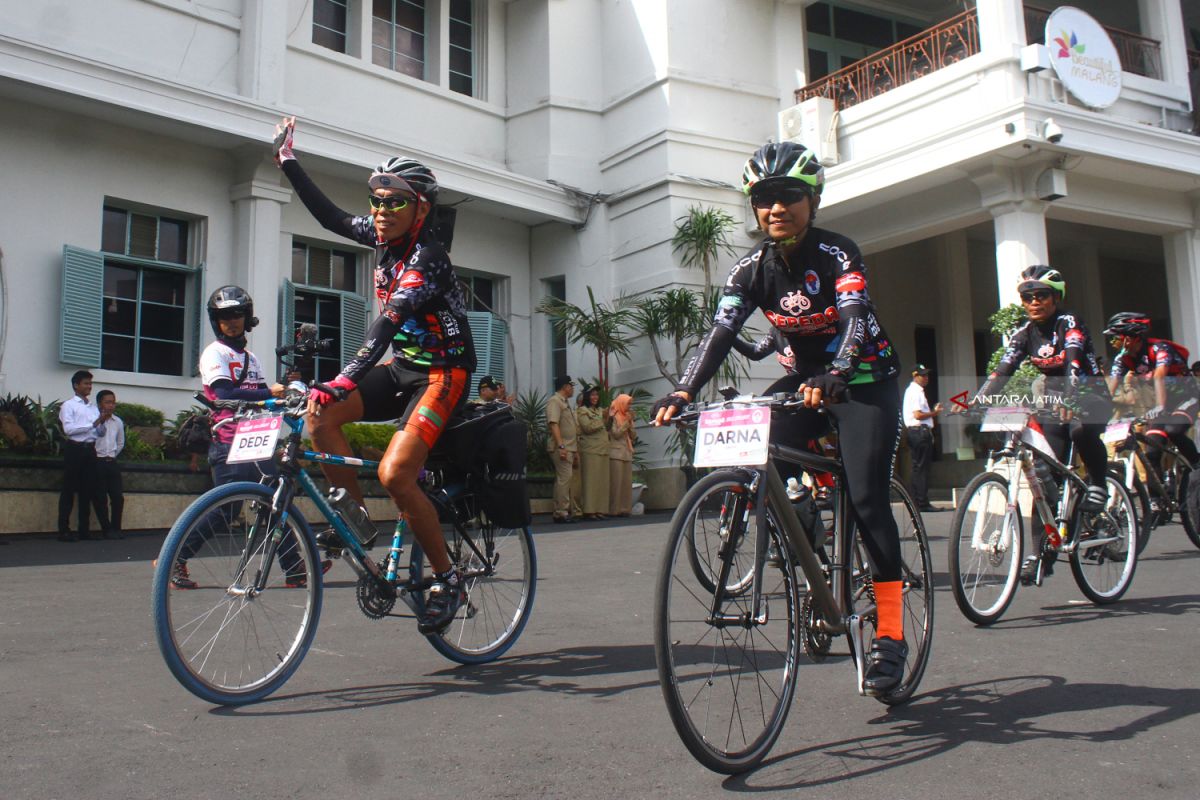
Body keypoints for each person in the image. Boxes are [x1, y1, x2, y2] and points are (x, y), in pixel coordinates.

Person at [653, 140, 909, 696]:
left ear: (812, 200)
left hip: (863, 382)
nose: (776, 208)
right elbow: (720, 334)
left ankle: (890, 631)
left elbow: (854, 316)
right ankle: (805, 532)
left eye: (789, 196)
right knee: (756, 444)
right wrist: (682, 389)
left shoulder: (838, 253)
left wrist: (839, 370)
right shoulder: (749, 271)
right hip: (805, 382)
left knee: (866, 500)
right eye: (765, 198)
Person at [273, 117, 476, 632]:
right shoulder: (384, 235)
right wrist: (288, 161)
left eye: (395, 203)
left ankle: (448, 576)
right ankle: (356, 523)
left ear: (421, 208)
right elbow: (330, 218)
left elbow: (387, 322)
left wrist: (344, 375)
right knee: (321, 417)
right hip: (403, 368)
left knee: (395, 474)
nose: (381, 212)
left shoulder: (428, 258)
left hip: (443, 375)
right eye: (377, 201)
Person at [163, 286, 326, 590]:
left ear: (247, 317)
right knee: (225, 510)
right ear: (217, 321)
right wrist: (269, 392)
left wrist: (287, 392)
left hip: (257, 438)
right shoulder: (215, 353)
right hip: (228, 441)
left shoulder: (250, 358)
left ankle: (295, 569)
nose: (232, 321)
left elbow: (262, 399)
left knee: (276, 503)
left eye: (237, 314)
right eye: (225, 316)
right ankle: (174, 559)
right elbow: (224, 394)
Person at [970, 266, 1111, 583]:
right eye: (1027, 297)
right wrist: (976, 400)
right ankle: (1039, 554)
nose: (1034, 302)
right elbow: (1003, 369)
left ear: (1056, 297)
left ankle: (1099, 483)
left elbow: (1074, 359)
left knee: (1079, 429)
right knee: (1043, 476)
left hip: (1089, 394)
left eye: (1042, 295)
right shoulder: (1023, 334)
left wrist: (1071, 398)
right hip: (1052, 399)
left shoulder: (1068, 323)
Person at [1104, 312, 1199, 471]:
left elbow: (1159, 376)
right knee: (1152, 453)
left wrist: (1160, 407)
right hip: (1162, 405)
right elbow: (1109, 389)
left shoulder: (1160, 348)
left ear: (1131, 337)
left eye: (1115, 338)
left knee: (1173, 430)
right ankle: (1157, 496)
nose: (1112, 342)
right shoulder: (1122, 359)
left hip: (1186, 398)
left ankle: (1197, 465)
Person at [57, 370, 105, 541]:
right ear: (76, 385)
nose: (89, 387)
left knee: (88, 490)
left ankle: (84, 530)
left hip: (90, 449)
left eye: (90, 384)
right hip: (75, 448)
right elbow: (69, 430)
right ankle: (63, 530)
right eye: (86, 383)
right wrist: (93, 424)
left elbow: (98, 432)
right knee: (69, 489)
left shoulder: (92, 407)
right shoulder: (69, 406)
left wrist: (100, 425)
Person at [902, 365, 942, 513]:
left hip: (916, 431)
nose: (926, 378)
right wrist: (934, 413)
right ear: (915, 376)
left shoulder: (913, 391)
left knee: (918, 467)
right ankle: (922, 502)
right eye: (922, 375)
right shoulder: (915, 392)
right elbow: (918, 415)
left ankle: (917, 501)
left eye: (927, 375)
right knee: (921, 468)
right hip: (919, 431)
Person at [91, 389, 125, 539]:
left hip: (112, 461)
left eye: (113, 402)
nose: (111, 405)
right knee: (100, 497)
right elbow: (91, 437)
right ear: (100, 404)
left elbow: (120, 442)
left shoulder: (117, 422)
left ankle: (116, 527)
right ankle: (106, 529)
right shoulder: (94, 420)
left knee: (117, 497)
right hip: (97, 461)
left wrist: (112, 455)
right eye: (108, 402)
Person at [546, 375, 578, 523]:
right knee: (564, 478)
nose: (572, 389)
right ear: (565, 387)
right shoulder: (555, 401)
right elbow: (554, 424)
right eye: (571, 386)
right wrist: (561, 446)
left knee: (563, 479)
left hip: (568, 446)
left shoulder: (564, 402)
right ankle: (561, 511)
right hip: (562, 447)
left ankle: (559, 510)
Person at [576, 385, 610, 520]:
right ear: (586, 397)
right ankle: (589, 510)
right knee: (591, 481)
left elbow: (605, 427)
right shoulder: (582, 411)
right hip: (590, 449)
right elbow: (587, 427)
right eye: (592, 395)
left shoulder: (600, 410)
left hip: (603, 448)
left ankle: (600, 509)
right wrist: (602, 419)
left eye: (596, 395)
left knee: (602, 481)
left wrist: (607, 417)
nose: (595, 397)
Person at [608, 393, 636, 516]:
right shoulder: (613, 416)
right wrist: (626, 423)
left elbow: (633, 436)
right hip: (616, 453)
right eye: (628, 403)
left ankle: (625, 509)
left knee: (626, 483)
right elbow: (616, 434)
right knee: (616, 483)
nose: (629, 406)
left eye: (630, 404)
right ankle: (614, 509)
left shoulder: (627, 416)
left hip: (627, 453)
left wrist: (631, 424)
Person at [731, 328, 796, 373]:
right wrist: (728, 335)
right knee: (770, 393)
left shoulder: (805, 332)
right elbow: (756, 352)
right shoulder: (777, 330)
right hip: (796, 379)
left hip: (805, 382)